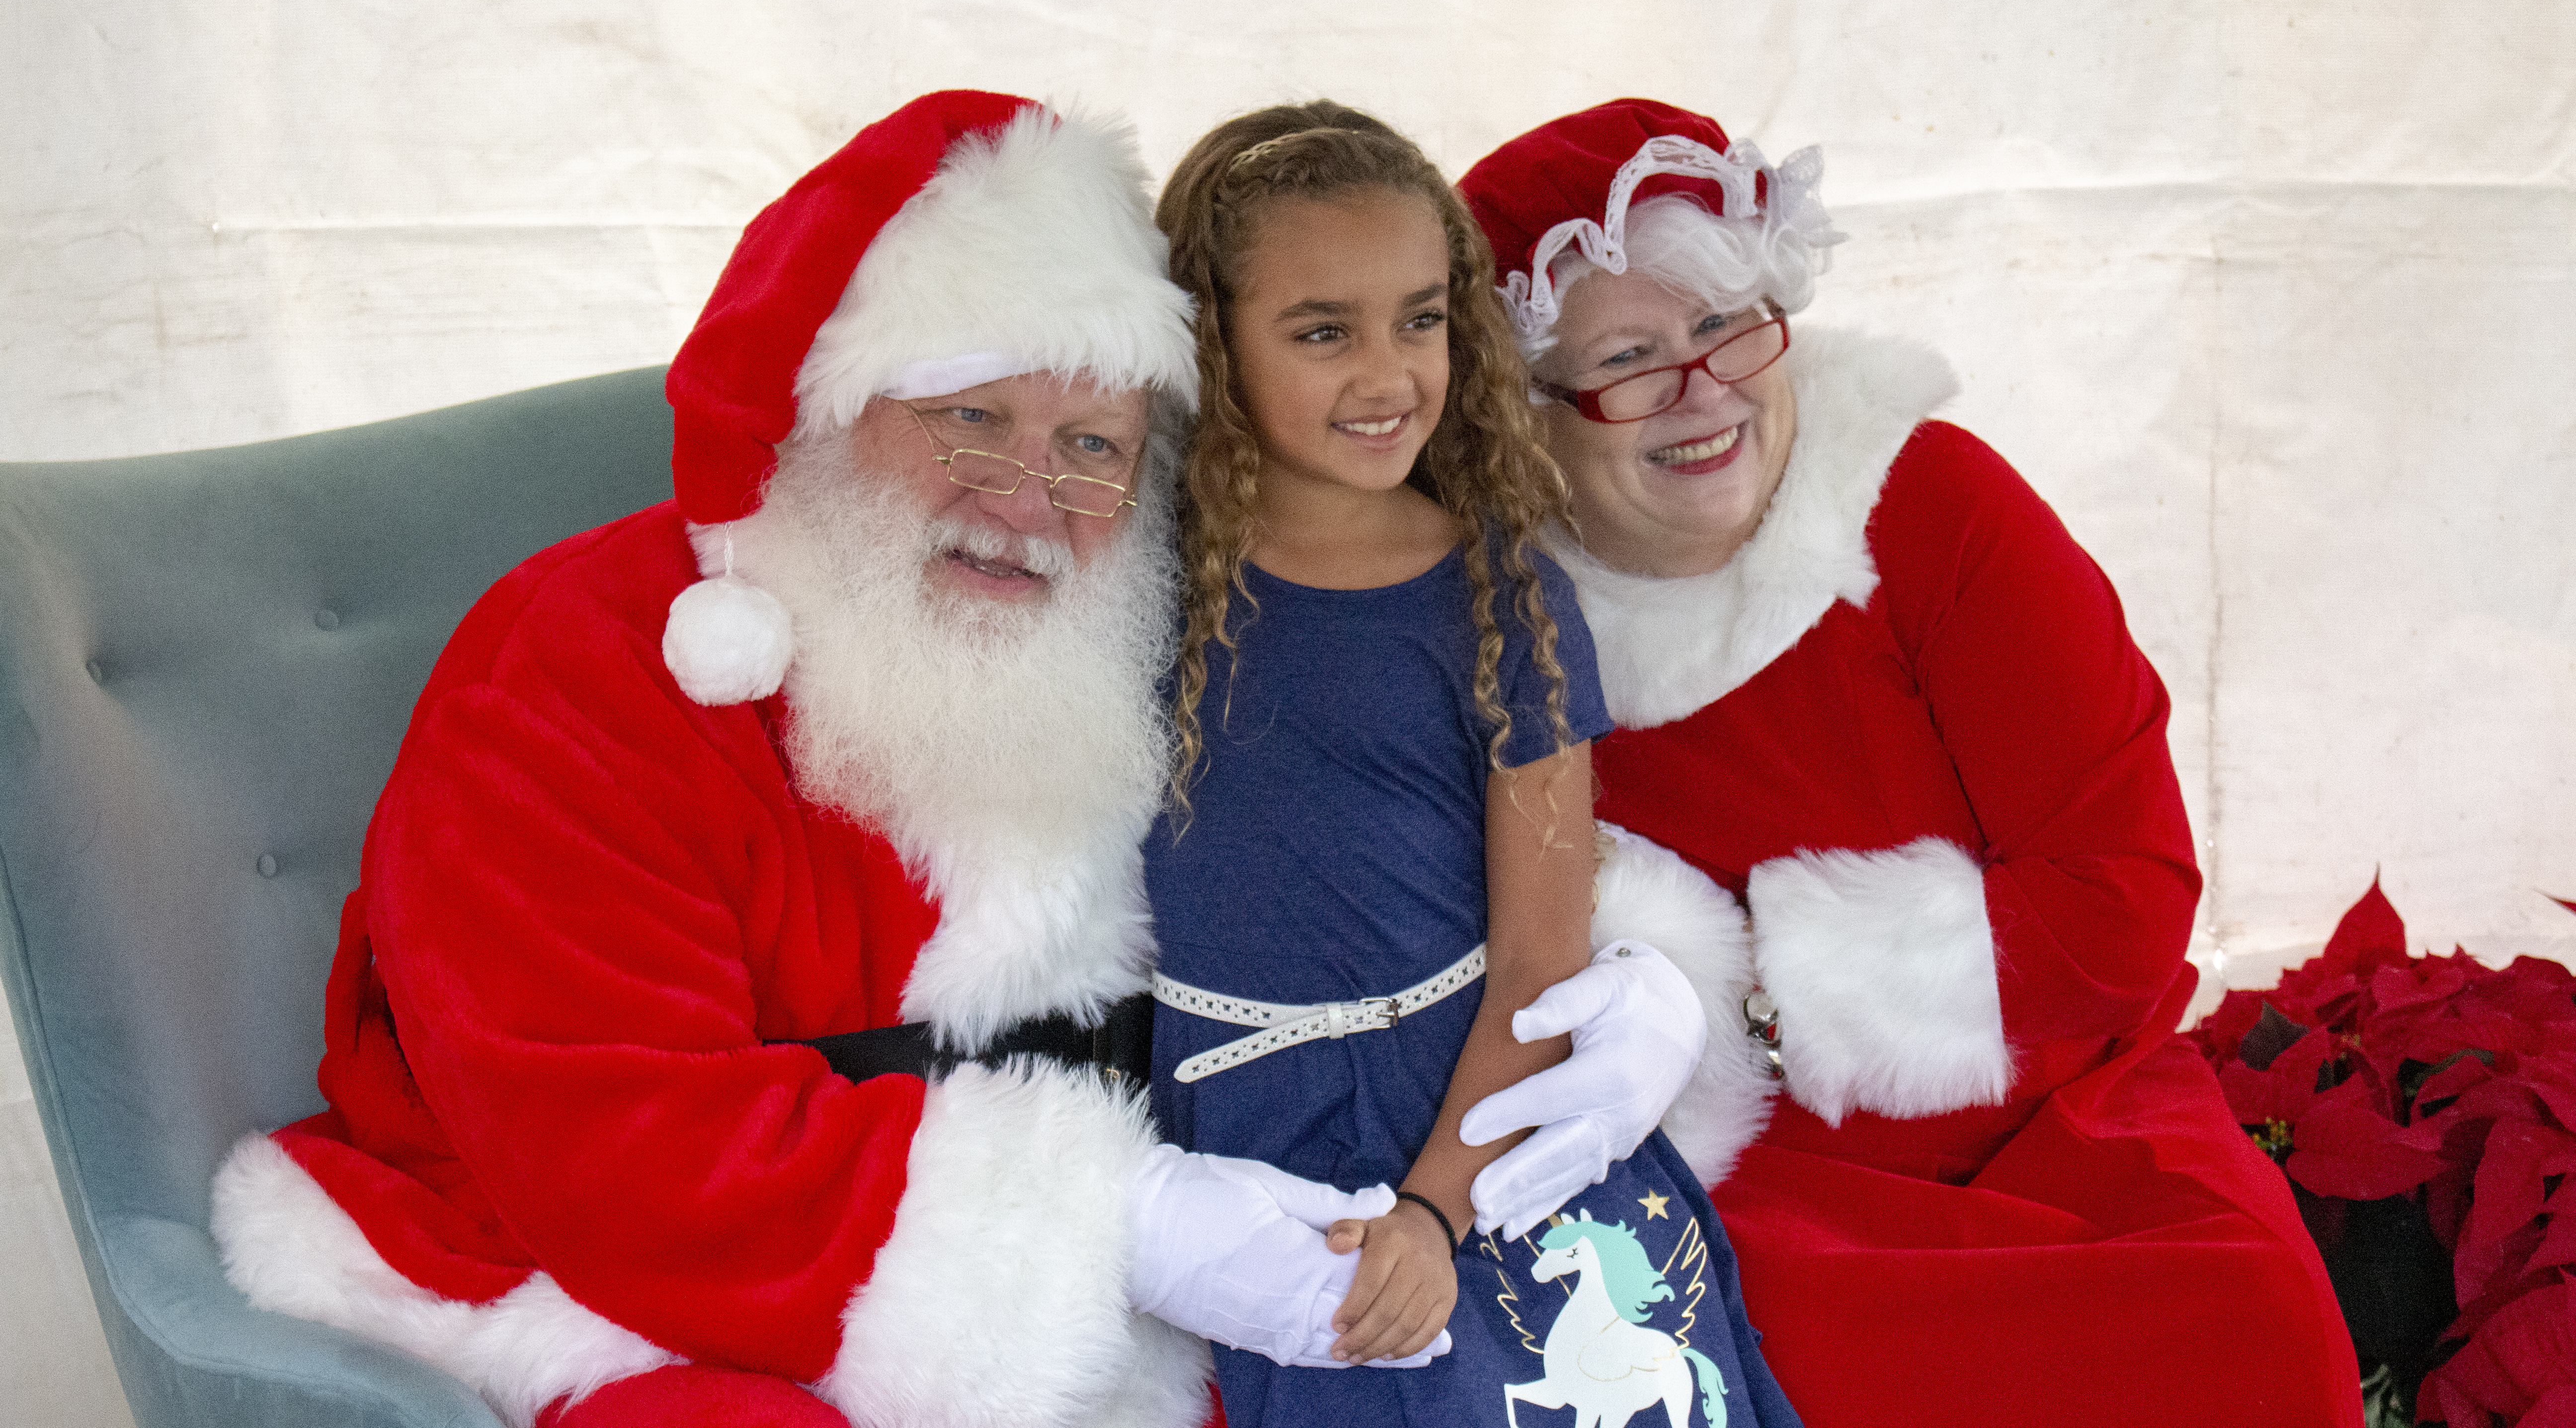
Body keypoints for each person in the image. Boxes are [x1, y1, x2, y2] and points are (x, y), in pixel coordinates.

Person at [205, 90, 1465, 1428]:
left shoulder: (1142, 650)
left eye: (1092, 448)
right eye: (973, 418)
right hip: (602, 1281)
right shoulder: (583, 656)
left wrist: (1592, 968)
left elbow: (1372, 879)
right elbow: (608, 1134)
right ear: (827, 407)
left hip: (1082, 1292)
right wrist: (1129, 1218)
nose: (1028, 497)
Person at [1454, 98, 2366, 1426]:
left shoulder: (1928, 502)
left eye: (1725, 326)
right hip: (1751, 1169)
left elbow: (2129, 890)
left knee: (2248, 1318)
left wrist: (1754, 987)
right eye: (1631, 358)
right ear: (1529, 415)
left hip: (2064, 1109)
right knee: (1742, 1354)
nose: (1702, 388)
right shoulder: (1492, 628)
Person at [1139, 101, 1800, 1428]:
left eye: (1422, 318)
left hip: (1484, 1127)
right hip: (1246, 1159)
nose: (1388, 373)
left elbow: (1539, 959)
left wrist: (1439, 1210)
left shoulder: (1502, 598)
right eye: (1323, 330)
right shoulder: (1135, 593)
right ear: (1212, 340)